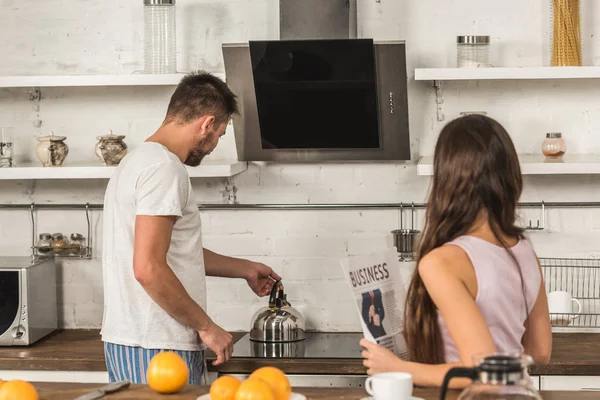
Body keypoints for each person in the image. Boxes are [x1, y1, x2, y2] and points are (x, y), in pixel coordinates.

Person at [100, 71, 281, 384]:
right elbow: (148, 269)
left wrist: (245, 268)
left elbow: (170, 252)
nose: (214, 145)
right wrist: (207, 327)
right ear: (207, 124)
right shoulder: (163, 169)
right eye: (220, 134)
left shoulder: (137, 161)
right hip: (156, 344)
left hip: (139, 340)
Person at [360, 115, 552, 387]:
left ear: (447, 179)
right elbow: (540, 351)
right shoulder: (524, 250)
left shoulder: (442, 262)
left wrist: (397, 368)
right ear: (509, 175)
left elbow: (484, 371)